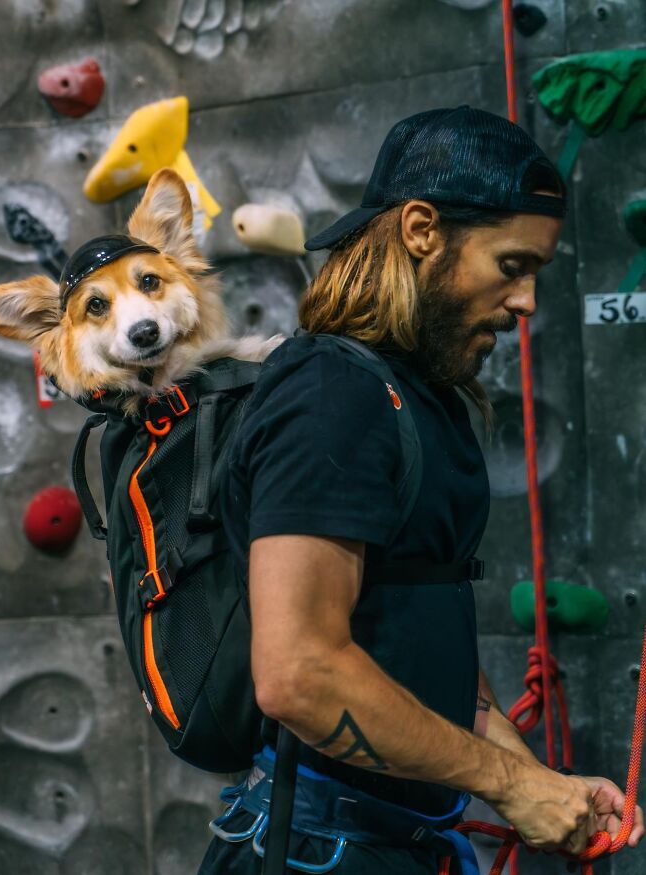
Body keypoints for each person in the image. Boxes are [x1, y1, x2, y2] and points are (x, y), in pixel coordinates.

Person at [198, 106, 644, 874]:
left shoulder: (414, 394)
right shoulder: (332, 396)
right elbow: (300, 672)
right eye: (512, 265)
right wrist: (508, 784)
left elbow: (419, 650)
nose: (528, 302)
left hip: (400, 841)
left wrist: (538, 783)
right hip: (322, 850)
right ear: (420, 229)